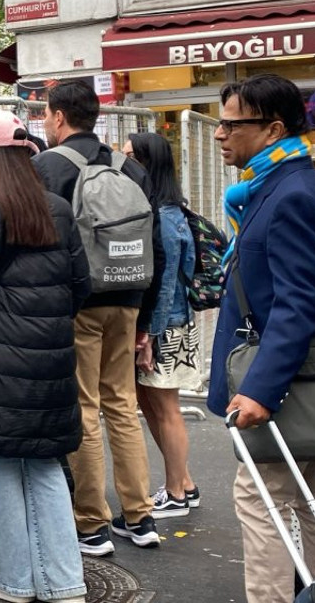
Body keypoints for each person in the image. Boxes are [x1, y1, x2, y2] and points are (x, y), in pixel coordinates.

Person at [0, 110, 91, 603]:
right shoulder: (57, 208)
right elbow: (80, 286)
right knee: (47, 463)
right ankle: (64, 581)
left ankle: (11, 578)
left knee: (4, 464)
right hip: (50, 359)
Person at [212, 74, 315, 603]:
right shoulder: (275, 187)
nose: (220, 135)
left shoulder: (292, 193)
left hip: (282, 381)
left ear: (272, 130)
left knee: (261, 500)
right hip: (298, 376)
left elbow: (301, 301)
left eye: (230, 124)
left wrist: (263, 389)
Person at [32, 80, 165, 555]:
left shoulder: (47, 167)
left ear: (60, 118)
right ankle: (140, 515)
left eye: (46, 115)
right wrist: (145, 316)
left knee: (84, 408)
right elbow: (156, 242)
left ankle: (91, 522)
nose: (44, 123)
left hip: (80, 302)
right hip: (129, 296)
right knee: (122, 406)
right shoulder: (129, 166)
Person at [124, 132, 202, 519]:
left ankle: (176, 490)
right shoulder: (164, 209)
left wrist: (150, 335)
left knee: (167, 407)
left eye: (130, 157)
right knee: (150, 402)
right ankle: (183, 483)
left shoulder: (166, 216)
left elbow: (167, 279)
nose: (124, 165)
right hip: (163, 324)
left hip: (164, 327)